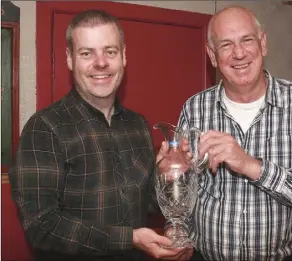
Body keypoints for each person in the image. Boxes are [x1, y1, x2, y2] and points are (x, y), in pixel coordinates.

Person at [8, 9, 191, 261]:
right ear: (70, 59)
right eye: (86, 53)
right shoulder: (45, 128)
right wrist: (130, 238)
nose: (101, 62)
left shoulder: (137, 125)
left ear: (124, 56)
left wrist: (164, 176)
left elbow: (148, 206)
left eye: (110, 51)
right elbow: (41, 227)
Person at [176, 5, 292, 261]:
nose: (239, 53)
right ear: (212, 55)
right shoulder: (194, 108)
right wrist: (176, 228)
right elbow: (184, 190)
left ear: (263, 43)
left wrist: (251, 165)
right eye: (226, 45)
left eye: (247, 40)